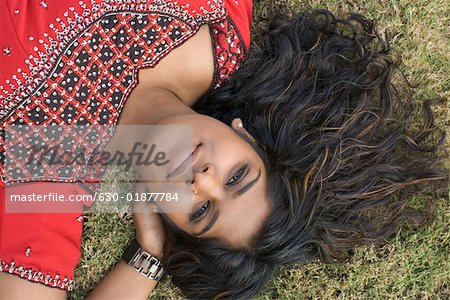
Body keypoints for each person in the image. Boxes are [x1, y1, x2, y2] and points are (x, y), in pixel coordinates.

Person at [0, 1, 447, 300]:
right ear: (249, 136)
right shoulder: (214, 25)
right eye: (237, 177)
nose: (203, 180)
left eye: (199, 212)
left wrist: (150, 256)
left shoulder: (49, 169)